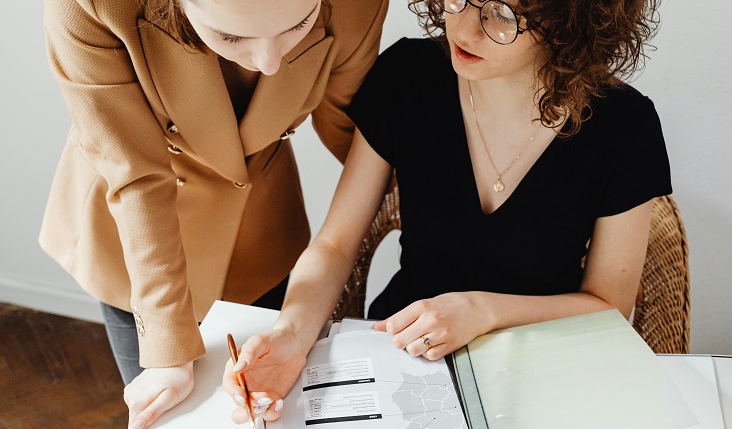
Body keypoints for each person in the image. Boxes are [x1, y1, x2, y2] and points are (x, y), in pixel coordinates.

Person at [223, 0, 670, 424]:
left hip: (541, 363)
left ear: (569, 22)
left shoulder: (625, 126)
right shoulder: (409, 74)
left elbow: (608, 306)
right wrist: (290, 336)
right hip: (399, 351)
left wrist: (481, 311)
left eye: (501, 13)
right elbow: (336, 243)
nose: (465, 28)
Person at [39, 0, 388, 427]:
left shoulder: (358, 6)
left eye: (298, 25)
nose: (269, 62)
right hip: (139, 241)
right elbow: (137, 175)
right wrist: (168, 347)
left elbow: (354, 134)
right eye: (233, 37)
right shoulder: (91, 6)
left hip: (260, 224)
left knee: (265, 409)